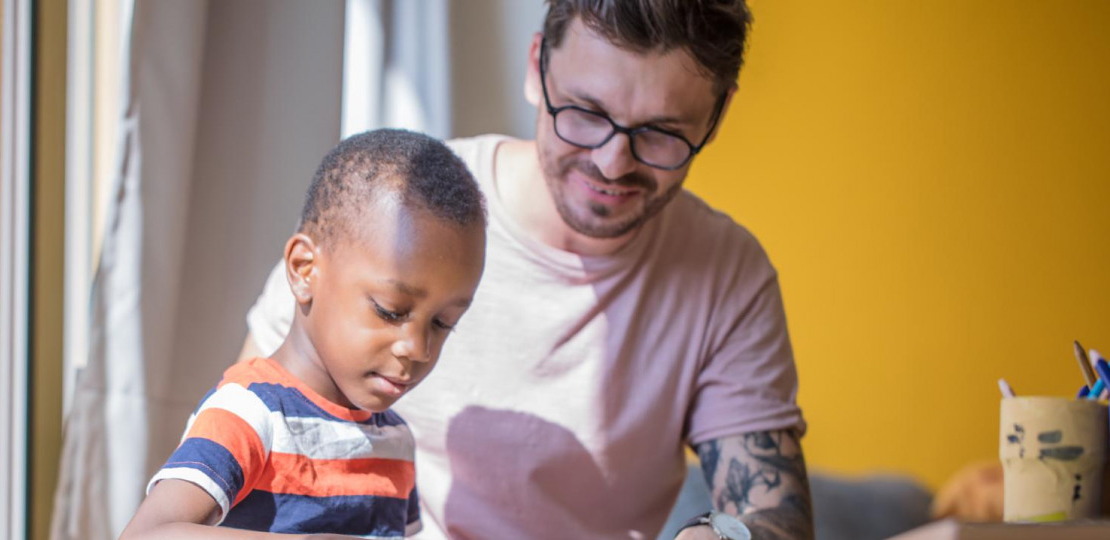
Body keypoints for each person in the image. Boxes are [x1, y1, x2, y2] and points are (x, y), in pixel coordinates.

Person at [237, 1, 812, 539]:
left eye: (661, 134)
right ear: (537, 67)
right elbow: (251, 430)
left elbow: (771, 515)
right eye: (586, 113)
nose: (612, 163)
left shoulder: (728, 275)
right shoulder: (401, 205)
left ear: (717, 115)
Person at [120, 129, 489, 539]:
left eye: (442, 323)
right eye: (390, 310)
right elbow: (146, 534)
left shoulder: (394, 440)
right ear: (303, 270)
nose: (417, 348)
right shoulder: (250, 413)